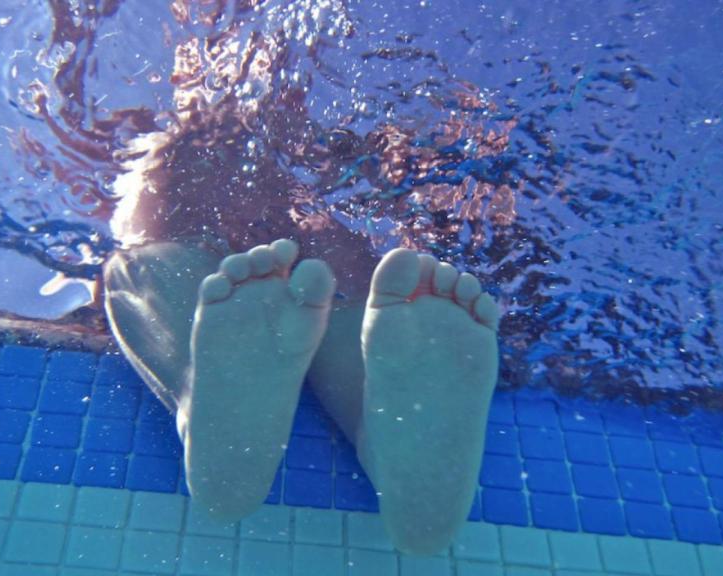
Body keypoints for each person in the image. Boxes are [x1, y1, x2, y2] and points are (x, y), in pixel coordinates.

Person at [99, 46, 501, 553]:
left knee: (136, 267)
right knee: (350, 294)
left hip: (210, 264)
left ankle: (201, 391)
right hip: (318, 262)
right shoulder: (329, 149)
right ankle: (389, 435)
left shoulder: (158, 136)